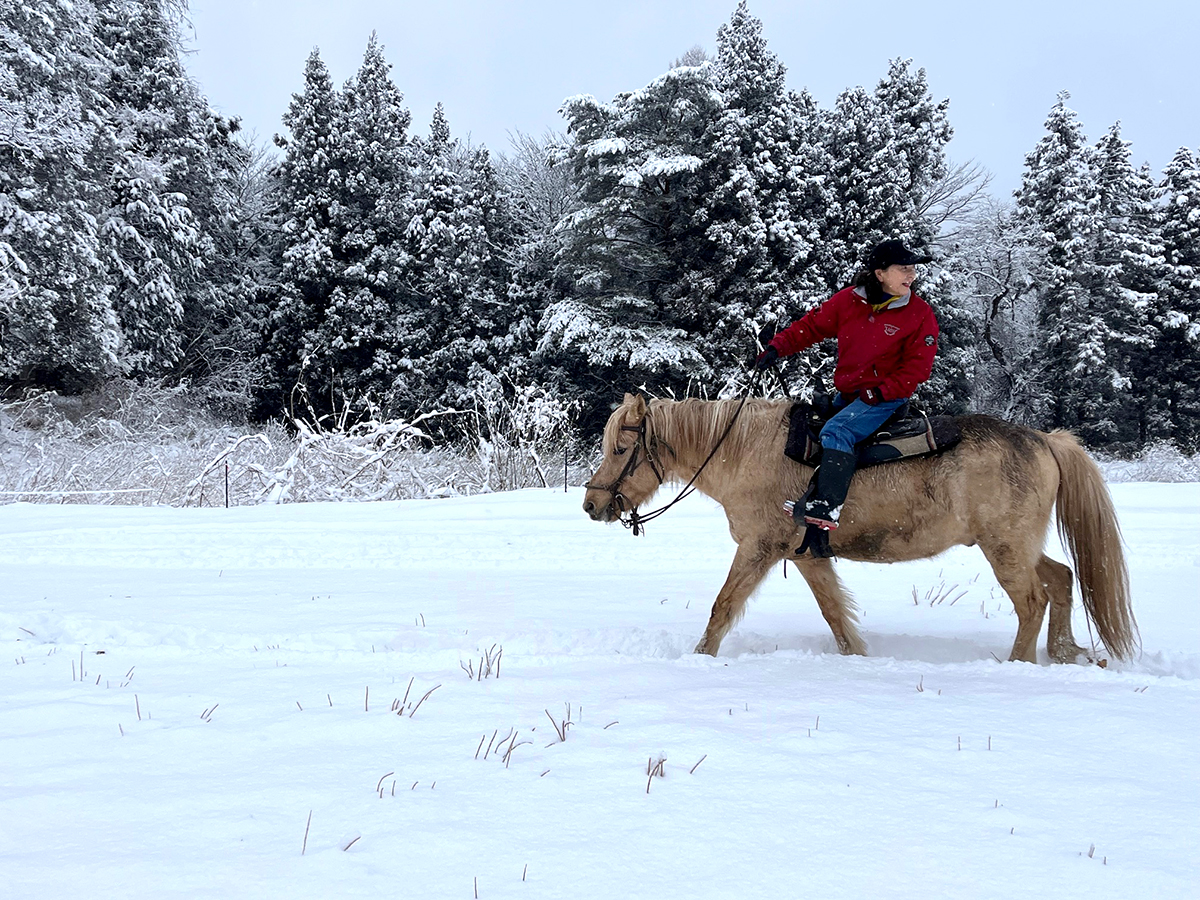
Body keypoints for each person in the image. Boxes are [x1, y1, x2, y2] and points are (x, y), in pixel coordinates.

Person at [755, 239, 939, 554]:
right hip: (850, 395)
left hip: (884, 399)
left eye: (913, 269)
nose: (912, 276)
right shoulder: (848, 302)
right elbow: (811, 327)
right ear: (880, 273)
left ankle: (825, 508)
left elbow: (917, 369)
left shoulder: (919, 314)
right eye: (904, 268)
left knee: (836, 431)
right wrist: (777, 347)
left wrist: (881, 390)